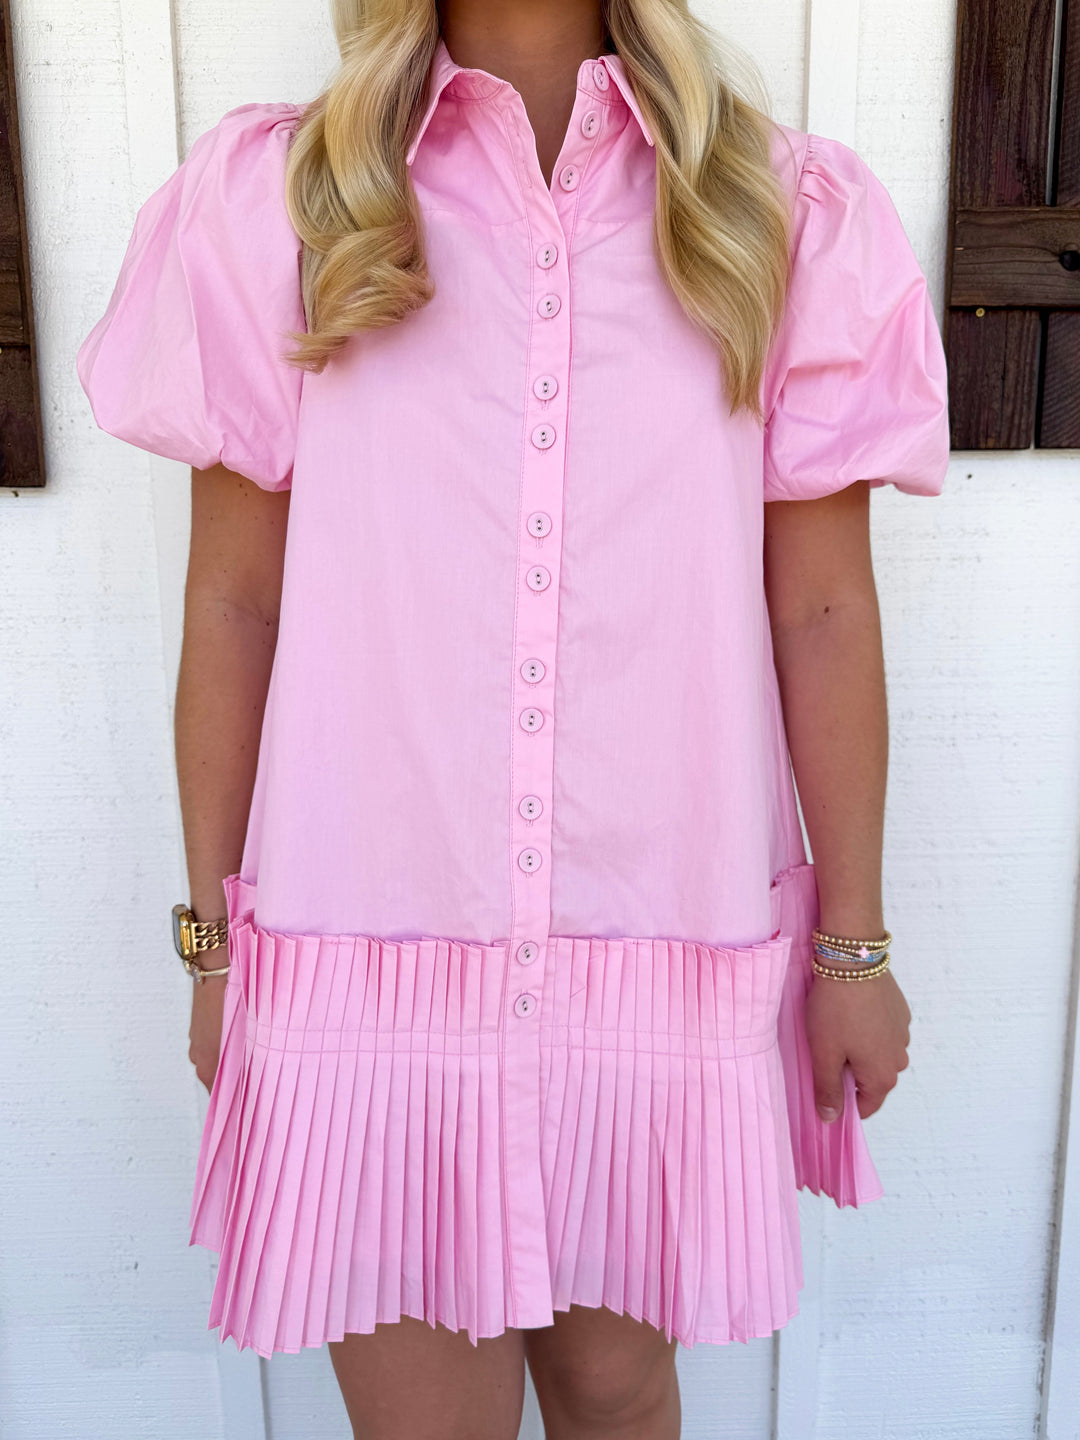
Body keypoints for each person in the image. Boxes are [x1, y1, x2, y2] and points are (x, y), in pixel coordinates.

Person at [76, 0, 950, 1434]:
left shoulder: (770, 211)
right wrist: (213, 946)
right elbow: (233, 603)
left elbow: (823, 612)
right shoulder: (295, 201)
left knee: (617, 1387)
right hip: (369, 954)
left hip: (655, 945)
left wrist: (852, 944)